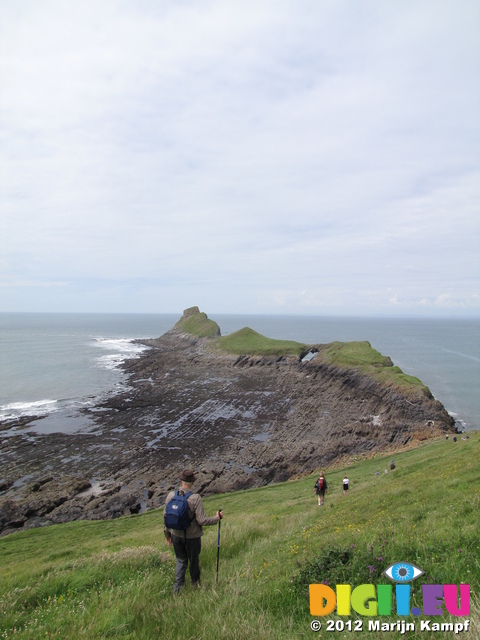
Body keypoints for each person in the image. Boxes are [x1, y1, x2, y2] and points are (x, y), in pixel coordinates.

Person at [164, 469, 222, 594]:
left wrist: (167, 534)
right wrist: (216, 518)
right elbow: (201, 520)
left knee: (181, 560)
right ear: (192, 483)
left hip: (176, 535)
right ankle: (195, 584)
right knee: (193, 560)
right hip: (192, 537)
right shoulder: (195, 498)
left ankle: (177, 589)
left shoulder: (170, 496)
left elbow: (166, 517)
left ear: (181, 481)